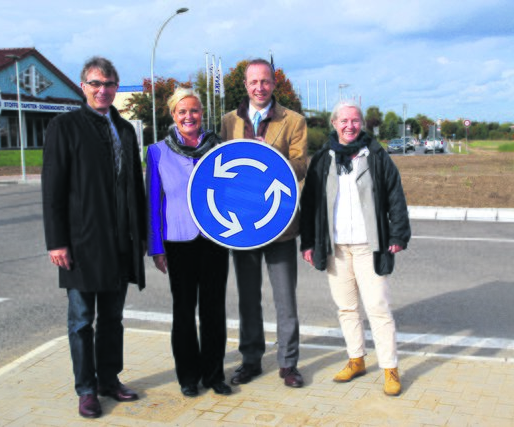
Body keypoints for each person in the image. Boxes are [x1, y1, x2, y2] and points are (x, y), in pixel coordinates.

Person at [42, 56, 147, 418]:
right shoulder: (65, 126)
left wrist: (142, 236)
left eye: (109, 84)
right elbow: (52, 189)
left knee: (113, 320)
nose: (103, 90)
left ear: (117, 88)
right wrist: (56, 241)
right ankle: (86, 389)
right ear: (82, 86)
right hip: (83, 243)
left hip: (120, 242)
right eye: (95, 83)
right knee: (82, 320)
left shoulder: (125, 129)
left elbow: (136, 186)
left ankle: (108, 379)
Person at [299, 100, 411, 396]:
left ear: (362, 124)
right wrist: (308, 241)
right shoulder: (323, 158)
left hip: (369, 246)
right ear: (334, 124)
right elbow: (308, 203)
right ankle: (356, 360)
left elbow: (395, 195)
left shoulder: (376, 156)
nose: (350, 126)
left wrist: (397, 234)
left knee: (378, 308)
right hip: (335, 247)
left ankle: (390, 368)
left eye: (355, 120)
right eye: (344, 121)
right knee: (346, 308)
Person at [220, 58, 308, 388]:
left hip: (280, 223)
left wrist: (270, 160)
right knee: (247, 297)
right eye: (254, 82)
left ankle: (288, 363)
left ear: (274, 84)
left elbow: (300, 165)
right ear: (246, 85)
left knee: (285, 299)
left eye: (265, 81)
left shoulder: (294, 120)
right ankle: (251, 360)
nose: (260, 87)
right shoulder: (229, 120)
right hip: (242, 225)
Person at [146, 87, 231, 398]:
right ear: (173, 115)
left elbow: (233, 189)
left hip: (213, 240)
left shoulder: (218, 147)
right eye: (182, 112)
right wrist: (155, 247)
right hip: (178, 242)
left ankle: (214, 374)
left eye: (194, 111)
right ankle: (188, 376)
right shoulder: (157, 152)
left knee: (213, 311)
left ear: (201, 114)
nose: (189, 117)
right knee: (183, 312)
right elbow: (153, 202)